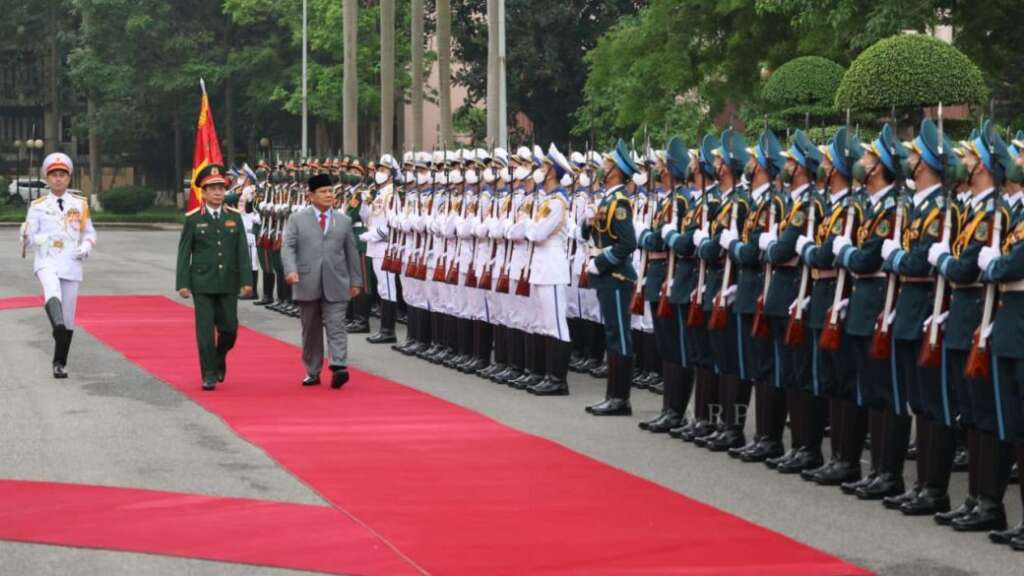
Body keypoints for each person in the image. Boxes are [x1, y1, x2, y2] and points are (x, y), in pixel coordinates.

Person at [175, 164, 254, 390]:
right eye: (213, 188)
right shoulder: (193, 219)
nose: (218, 192)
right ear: (204, 192)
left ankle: (220, 356)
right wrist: (183, 283)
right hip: (202, 282)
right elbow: (184, 253)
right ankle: (209, 373)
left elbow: (242, 252)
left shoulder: (234, 217)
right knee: (205, 332)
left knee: (229, 329)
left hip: (228, 282)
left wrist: (247, 281)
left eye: (221, 187)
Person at [282, 172, 364, 389]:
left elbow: (352, 253)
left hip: (337, 280)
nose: (329, 195)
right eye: (324, 192)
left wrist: (356, 282)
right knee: (311, 329)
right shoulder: (297, 219)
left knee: (337, 325)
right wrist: (290, 270)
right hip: (306, 280)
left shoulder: (343, 220)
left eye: (331, 191)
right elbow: (288, 246)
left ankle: (338, 366)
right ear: (311, 195)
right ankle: (312, 370)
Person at [21, 152, 97, 379]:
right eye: (53, 174)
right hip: (46, 259)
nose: (58, 179)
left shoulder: (80, 204)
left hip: (71, 262)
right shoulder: (38, 206)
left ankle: (59, 362)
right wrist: (28, 237)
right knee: (51, 291)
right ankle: (58, 327)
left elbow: (89, 233)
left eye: (62, 174)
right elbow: (30, 238)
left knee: (68, 316)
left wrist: (86, 247)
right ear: (46, 177)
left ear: (69, 177)